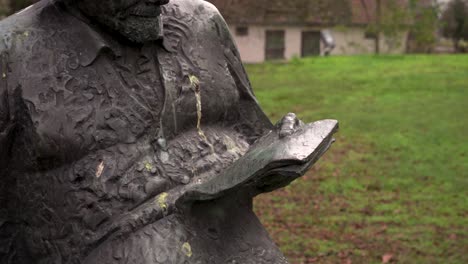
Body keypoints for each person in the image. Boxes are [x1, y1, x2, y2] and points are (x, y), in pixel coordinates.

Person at [0, 0, 319, 263]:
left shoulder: (203, 24)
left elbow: (247, 132)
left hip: (239, 247)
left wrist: (271, 153)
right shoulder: (12, 55)